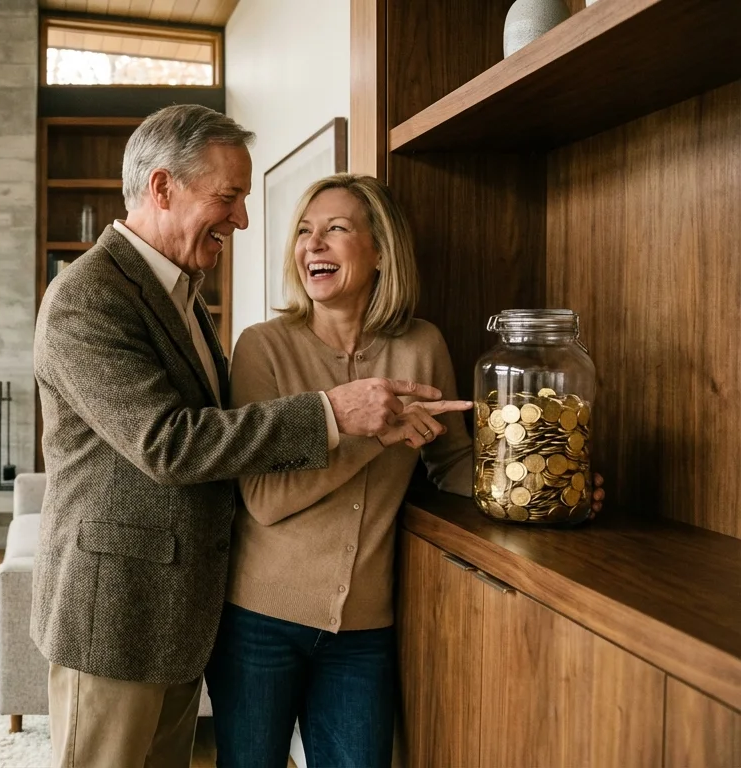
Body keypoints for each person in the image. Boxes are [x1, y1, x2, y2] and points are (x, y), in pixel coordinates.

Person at [30, 106, 464, 768]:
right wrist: (336, 415)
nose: (241, 219)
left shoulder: (181, 292)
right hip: (118, 615)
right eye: (229, 197)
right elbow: (169, 445)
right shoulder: (89, 296)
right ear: (163, 187)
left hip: (179, 616)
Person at [204, 173, 604, 768]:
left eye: (336, 230)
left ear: (382, 251)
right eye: (305, 232)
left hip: (365, 630)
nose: (313, 245)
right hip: (259, 623)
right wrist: (372, 438)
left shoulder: (422, 345)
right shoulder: (264, 347)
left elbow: (450, 462)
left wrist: (545, 483)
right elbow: (264, 498)